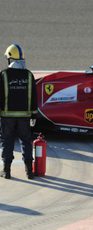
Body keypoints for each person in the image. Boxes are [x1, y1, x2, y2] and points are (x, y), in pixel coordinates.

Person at [0, 44, 37, 179]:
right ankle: (29, 172)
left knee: (7, 141)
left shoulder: (3, 75)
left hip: (6, 117)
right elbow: (34, 96)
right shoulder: (28, 75)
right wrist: (34, 115)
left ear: (10, 59)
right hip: (25, 117)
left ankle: (6, 171)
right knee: (26, 142)